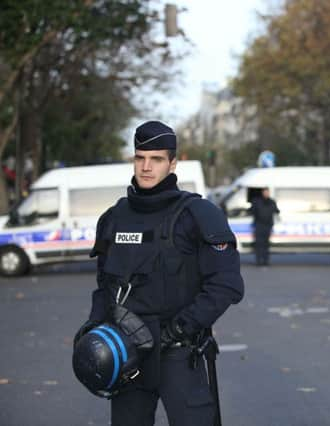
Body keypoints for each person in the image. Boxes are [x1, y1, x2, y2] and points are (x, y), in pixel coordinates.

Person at [74, 120, 244, 426]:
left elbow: (227, 285)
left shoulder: (198, 214)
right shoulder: (114, 218)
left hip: (179, 354)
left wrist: (180, 329)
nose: (146, 167)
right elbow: (105, 285)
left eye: (156, 159)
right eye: (140, 158)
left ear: (173, 163)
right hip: (127, 355)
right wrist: (93, 326)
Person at [249, 187, 279, 266]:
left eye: (267, 192)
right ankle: (259, 261)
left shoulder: (272, 202)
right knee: (259, 244)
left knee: (266, 244)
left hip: (268, 226)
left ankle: (266, 261)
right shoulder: (257, 201)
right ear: (262, 192)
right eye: (265, 192)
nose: (266, 194)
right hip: (259, 225)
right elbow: (251, 211)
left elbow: (277, 211)